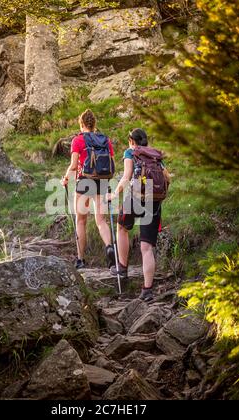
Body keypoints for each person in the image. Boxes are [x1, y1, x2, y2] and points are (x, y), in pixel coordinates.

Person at [108, 128, 169, 301]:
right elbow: (166, 178)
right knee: (147, 247)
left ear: (131, 141)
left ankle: (122, 267)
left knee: (122, 227)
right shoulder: (155, 155)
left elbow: (127, 176)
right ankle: (147, 290)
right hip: (154, 200)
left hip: (135, 197)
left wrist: (114, 194)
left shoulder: (131, 152)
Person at [62, 109, 116, 270]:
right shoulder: (105, 140)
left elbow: (73, 165)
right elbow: (112, 164)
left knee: (81, 220)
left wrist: (65, 179)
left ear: (82, 124)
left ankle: (80, 260)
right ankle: (109, 247)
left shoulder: (78, 140)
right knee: (101, 221)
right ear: (94, 124)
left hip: (84, 181)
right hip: (102, 181)